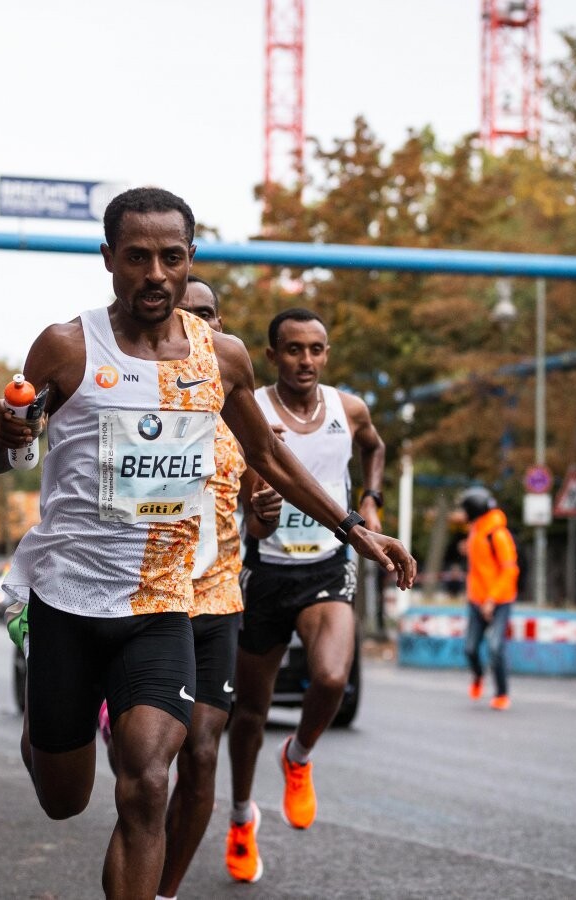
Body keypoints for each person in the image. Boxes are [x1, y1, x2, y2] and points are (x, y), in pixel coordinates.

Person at [0, 186, 415, 899]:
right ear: (108, 259)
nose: (156, 274)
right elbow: (5, 455)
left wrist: (355, 529)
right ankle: (45, 732)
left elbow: (269, 457)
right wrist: (5, 433)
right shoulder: (66, 346)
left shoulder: (224, 357)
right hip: (70, 601)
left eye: (171, 257)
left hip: (162, 603)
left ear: (190, 259)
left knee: (149, 782)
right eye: (137, 257)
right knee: (64, 799)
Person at [224, 306, 388, 883]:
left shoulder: (349, 409)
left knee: (332, 677)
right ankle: (241, 818)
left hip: (327, 564)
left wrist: (370, 501)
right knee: (250, 712)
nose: (306, 360)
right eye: (294, 349)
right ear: (272, 355)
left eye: (316, 349)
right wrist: (262, 511)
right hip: (266, 570)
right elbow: (255, 523)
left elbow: (375, 446)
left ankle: (297, 756)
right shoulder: (251, 410)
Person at [155, 274, 282, 900]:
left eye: (207, 313)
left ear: (221, 323)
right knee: (147, 768)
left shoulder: (239, 407)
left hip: (217, 600)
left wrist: (266, 513)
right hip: (148, 601)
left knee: (202, 751)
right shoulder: (140, 391)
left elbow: (259, 511)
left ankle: (165, 891)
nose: (197, 323)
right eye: (185, 312)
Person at [455, 485, 518, 711]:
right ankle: (478, 675)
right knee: (470, 648)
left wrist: (492, 599)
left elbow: (510, 570)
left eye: (465, 509)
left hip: (499, 601)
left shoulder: (498, 534)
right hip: (476, 599)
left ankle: (501, 694)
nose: (463, 513)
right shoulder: (476, 529)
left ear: (474, 510)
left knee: (495, 647)